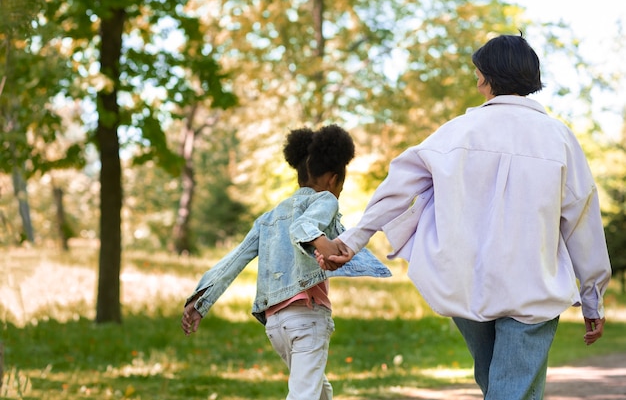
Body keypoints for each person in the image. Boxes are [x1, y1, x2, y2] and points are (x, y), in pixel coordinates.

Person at [317, 34, 612, 400]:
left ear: (488, 78)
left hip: (465, 281)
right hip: (532, 285)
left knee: (502, 387)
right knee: (511, 390)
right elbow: (582, 220)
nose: (476, 81)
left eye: (477, 73)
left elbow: (397, 190)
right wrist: (592, 296)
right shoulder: (559, 139)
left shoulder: (455, 132)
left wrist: (352, 240)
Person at [181, 124, 390, 400]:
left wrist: (201, 299)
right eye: (341, 184)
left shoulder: (269, 217)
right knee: (304, 393)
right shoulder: (325, 199)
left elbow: (234, 259)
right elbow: (303, 227)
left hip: (276, 324)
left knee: (317, 390)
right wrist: (325, 244)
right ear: (333, 179)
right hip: (306, 317)